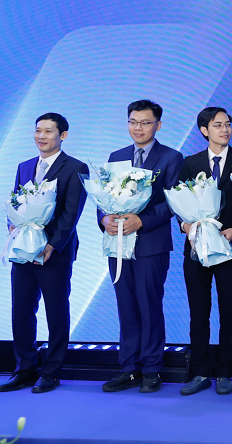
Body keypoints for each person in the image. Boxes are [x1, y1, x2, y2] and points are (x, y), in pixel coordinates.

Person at [99, 100, 183, 394]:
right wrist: (105, 218)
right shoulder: (117, 156)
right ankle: (129, 369)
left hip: (150, 244)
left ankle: (151, 369)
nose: (138, 128)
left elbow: (173, 202)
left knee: (149, 306)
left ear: (158, 125)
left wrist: (141, 221)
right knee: (126, 307)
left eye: (145, 123)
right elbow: (103, 197)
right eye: (133, 122)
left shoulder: (171, 157)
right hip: (119, 244)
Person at [0, 113, 88, 394]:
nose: (41, 136)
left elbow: (71, 213)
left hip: (55, 252)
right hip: (24, 250)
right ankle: (24, 368)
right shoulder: (24, 166)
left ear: (63, 135)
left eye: (48, 131)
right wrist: (13, 224)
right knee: (21, 309)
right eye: (38, 130)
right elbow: (17, 201)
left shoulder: (75, 167)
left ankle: (51, 371)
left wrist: (52, 245)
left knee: (56, 310)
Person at [178, 107, 232, 396]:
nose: (225, 130)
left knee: (228, 309)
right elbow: (179, 201)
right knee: (199, 311)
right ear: (204, 130)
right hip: (197, 248)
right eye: (218, 125)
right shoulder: (190, 163)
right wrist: (185, 226)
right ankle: (200, 372)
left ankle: (225, 372)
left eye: (228, 124)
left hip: (230, 245)